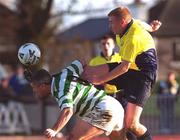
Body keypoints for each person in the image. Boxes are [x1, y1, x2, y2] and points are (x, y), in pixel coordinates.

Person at [82, 7, 161, 140]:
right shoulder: (128, 25)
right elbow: (142, 24)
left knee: (131, 125)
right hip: (131, 69)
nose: (110, 25)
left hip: (143, 76)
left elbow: (124, 67)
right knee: (91, 69)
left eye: (112, 22)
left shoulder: (133, 38)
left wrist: (100, 80)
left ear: (123, 22)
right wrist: (152, 28)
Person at [29, 60, 124, 140]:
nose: (34, 91)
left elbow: (67, 111)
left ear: (42, 86)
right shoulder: (66, 72)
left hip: (104, 110)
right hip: (114, 105)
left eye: (35, 88)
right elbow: (82, 61)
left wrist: (54, 130)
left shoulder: (60, 90)